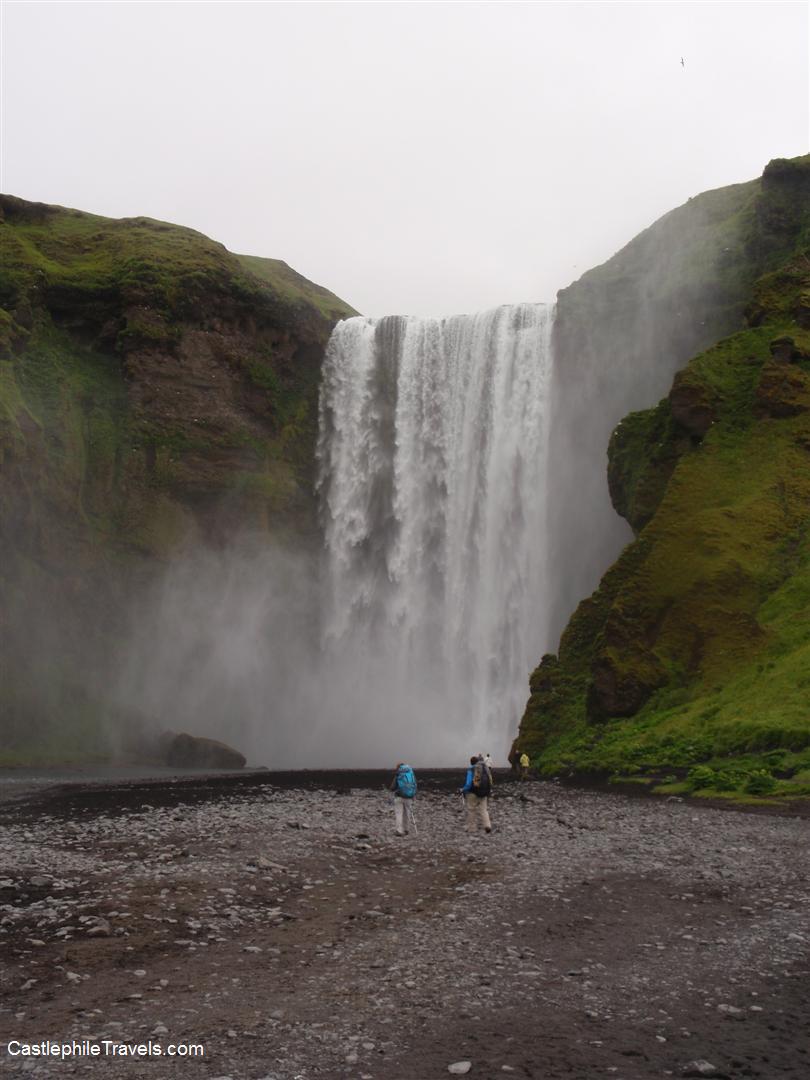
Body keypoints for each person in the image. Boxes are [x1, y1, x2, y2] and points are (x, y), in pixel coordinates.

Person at [459, 755, 492, 834]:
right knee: (484, 810)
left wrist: (463, 789)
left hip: (472, 793)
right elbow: (490, 781)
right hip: (484, 792)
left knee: (471, 810)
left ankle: (472, 828)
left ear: (471, 763)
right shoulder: (485, 769)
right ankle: (487, 825)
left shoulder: (471, 769)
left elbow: (469, 783)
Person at [388, 762, 417, 836]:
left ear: (398, 768)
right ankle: (406, 829)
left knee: (399, 814)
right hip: (409, 797)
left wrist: (391, 790)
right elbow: (414, 784)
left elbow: (393, 787)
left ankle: (399, 831)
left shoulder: (398, 774)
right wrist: (413, 795)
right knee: (407, 813)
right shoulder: (410, 773)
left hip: (399, 797)